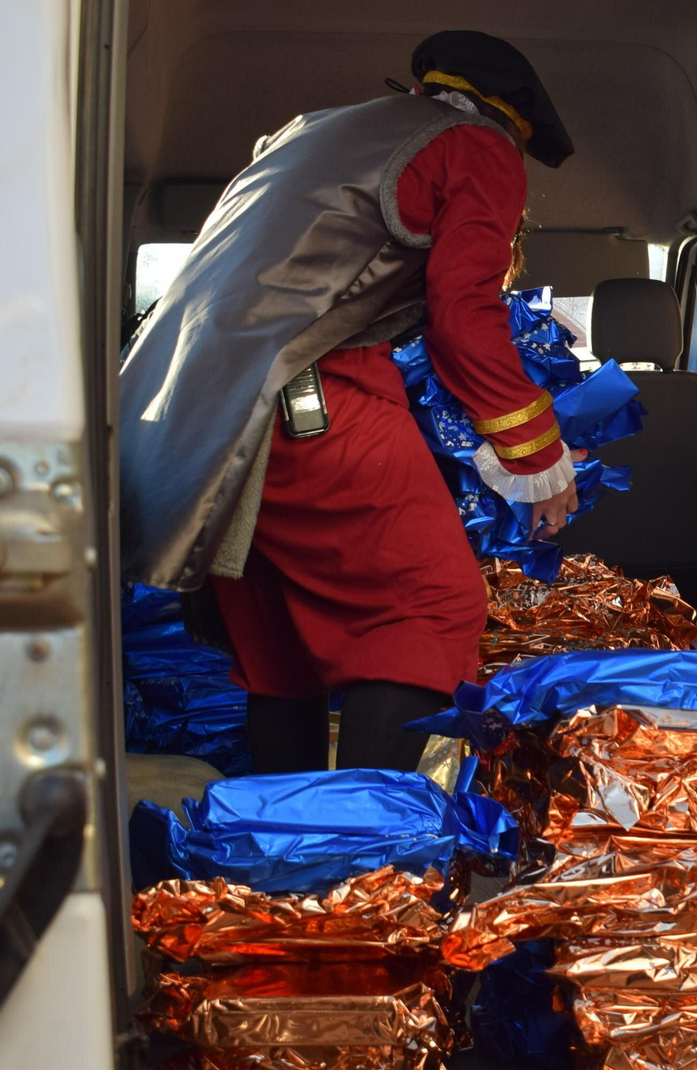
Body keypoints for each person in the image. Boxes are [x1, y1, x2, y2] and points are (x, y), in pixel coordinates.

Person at [119, 31, 577, 774]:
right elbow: (464, 315)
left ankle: (292, 850)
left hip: (200, 421)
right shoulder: (477, 145)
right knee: (430, 607)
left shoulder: (311, 133)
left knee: (281, 646)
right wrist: (537, 455)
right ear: (510, 124)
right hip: (314, 394)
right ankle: (367, 860)